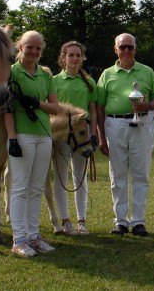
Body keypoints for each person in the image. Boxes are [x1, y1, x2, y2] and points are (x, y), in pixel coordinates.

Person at [97, 33, 154, 237]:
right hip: (114, 124)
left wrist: (148, 105)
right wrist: (101, 137)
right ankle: (121, 221)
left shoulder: (147, 71)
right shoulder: (107, 74)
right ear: (115, 49)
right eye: (122, 47)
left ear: (135, 48)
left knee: (141, 174)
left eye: (130, 47)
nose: (126, 50)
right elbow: (99, 107)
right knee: (117, 175)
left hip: (142, 123)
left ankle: (138, 221)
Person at [5, 30, 60, 258]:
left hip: (44, 135)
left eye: (38, 48)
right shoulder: (11, 73)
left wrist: (36, 102)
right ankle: (19, 239)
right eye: (30, 47)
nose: (34, 52)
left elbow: (55, 108)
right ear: (20, 48)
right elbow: (6, 109)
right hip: (23, 135)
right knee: (20, 186)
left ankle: (33, 236)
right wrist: (12, 138)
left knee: (37, 187)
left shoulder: (45, 75)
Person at [52, 41, 99, 236]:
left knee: (80, 178)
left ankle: (81, 220)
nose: (74, 58)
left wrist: (94, 133)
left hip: (82, 133)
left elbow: (94, 111)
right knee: (61, 177)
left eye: (78, 55)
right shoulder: (54, 80)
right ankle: (65, 220)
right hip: (62, 134)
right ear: (63, 58)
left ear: (82, 58)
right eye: (70, 55)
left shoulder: (89, 82)